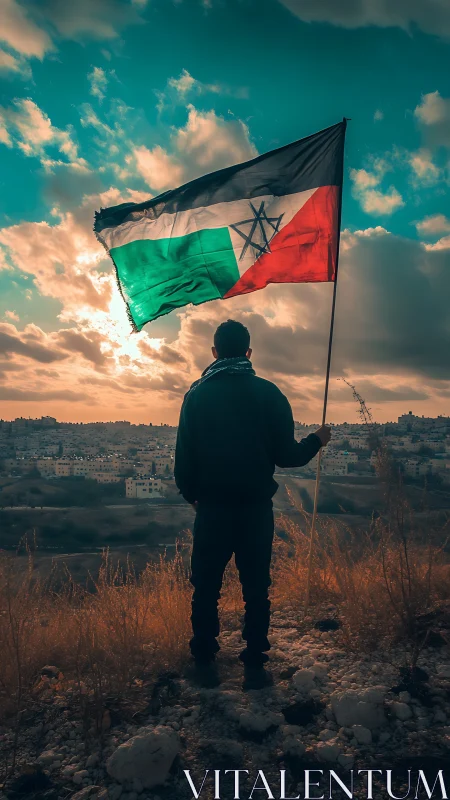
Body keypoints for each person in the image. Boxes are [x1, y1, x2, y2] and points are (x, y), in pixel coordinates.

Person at [174, 319, 331, 689]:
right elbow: (288, 456)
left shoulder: (196, 396)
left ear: (214, 353)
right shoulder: (269, 393)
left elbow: (183, 464)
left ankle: (204, 660)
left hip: (212, 509)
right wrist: (317, 440)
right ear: (249, 352)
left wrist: (195, 499)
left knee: (206, 587)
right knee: (256, 586)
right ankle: (256, 662)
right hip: (255, 510)